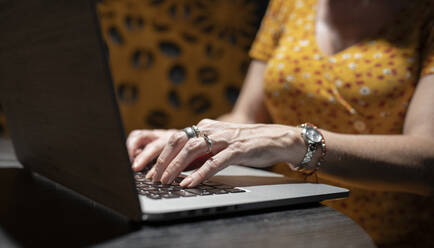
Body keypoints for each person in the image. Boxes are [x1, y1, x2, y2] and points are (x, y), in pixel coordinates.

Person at [126, 0, 434, 246]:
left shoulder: (425, 14)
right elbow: (245, 118)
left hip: (384, 234)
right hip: (282, 221)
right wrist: (186, 139)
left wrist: (297, 142)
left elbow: (427, 159)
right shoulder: (289, 5)